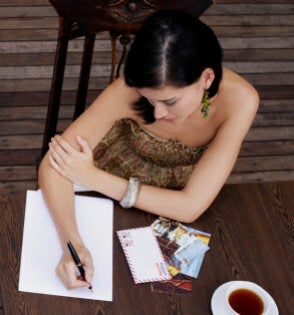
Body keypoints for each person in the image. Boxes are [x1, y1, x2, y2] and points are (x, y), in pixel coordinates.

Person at [37, 10, 259, 291]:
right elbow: (53, 166)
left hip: (162, 205)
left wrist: (94, 177)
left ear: (206, 78)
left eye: (170, 101)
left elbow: (190, 206)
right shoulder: (126, 89)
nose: (158, 111)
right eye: (148, 99)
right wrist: (73, 244)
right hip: (99, 193)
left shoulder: (241, 101)